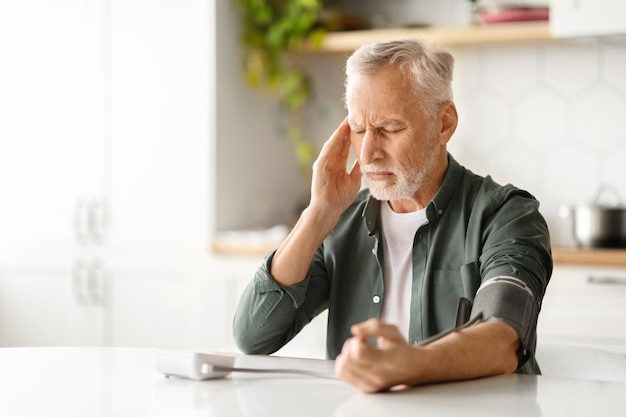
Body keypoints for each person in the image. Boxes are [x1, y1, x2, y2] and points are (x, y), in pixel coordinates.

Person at [233, 38, 552, 393]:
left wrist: (409, 364)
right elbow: (253, 336)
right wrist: (319, 211)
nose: (368, 152)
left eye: (389, 128)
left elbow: (503, 339)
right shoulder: (339, 221)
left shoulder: (507, 215)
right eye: (358, 129)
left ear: (444, 123)